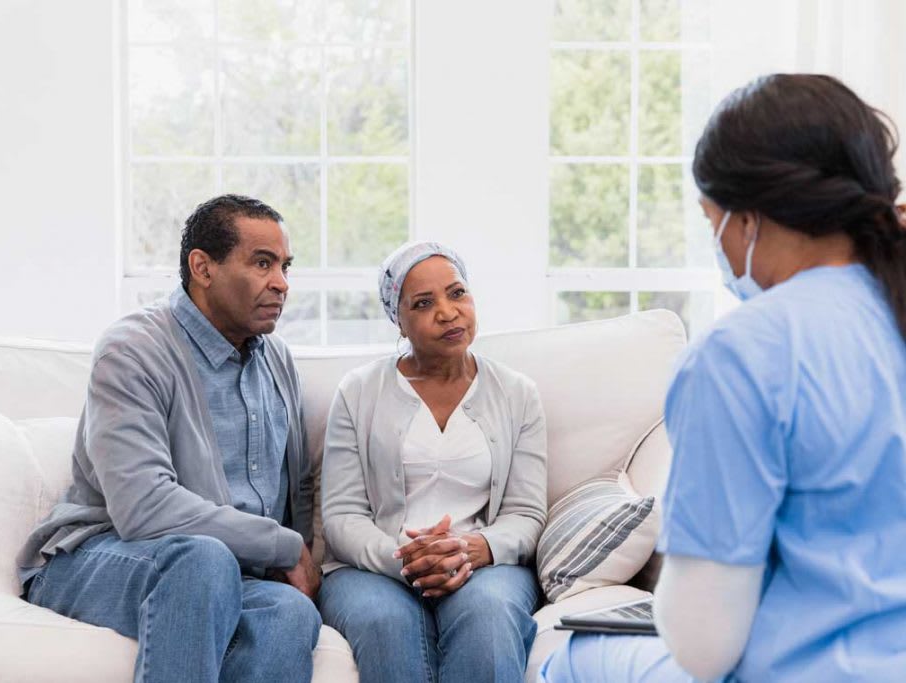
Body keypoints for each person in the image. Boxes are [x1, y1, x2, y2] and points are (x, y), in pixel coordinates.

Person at [541, 74, 906, 682]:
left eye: (711, 219)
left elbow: (703, 645)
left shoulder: (744, 352)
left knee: (573, 661)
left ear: (747, 219)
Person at [16, 194, 322, 683]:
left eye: (285, 266)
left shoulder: (277, 359)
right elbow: (144, 509)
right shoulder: (134, 350)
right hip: (101, 556)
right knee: (202, 560)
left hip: (231, 573)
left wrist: (294, 556)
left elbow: (296, 486)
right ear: (202, 267)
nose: (281, 283)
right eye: (262, 263)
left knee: (290, 612)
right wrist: (282, 546)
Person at [319, 241, 548, 683]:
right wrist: (406, 559)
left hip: (482, 563)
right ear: (398, 320)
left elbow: (526, 512)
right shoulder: (358, 391)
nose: (447, 312)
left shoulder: (517, 393)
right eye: (423, 303)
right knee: (386, 624)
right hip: (375, 567)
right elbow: (342, 516)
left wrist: (474, 550)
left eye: (457, 293)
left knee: (489, 615)